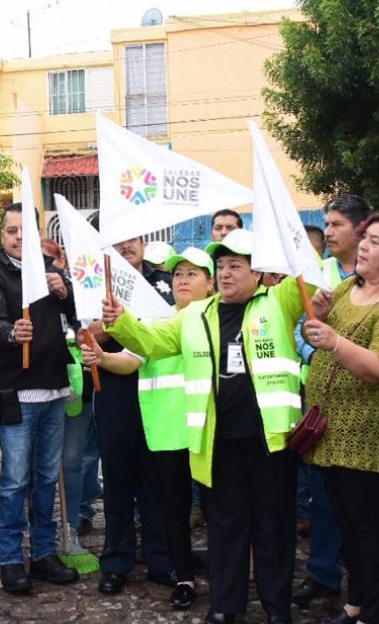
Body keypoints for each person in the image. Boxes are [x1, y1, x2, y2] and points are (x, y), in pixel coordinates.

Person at [100, 232, 311, 623]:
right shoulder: (195, 314)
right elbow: (152, 342)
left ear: (257, 272)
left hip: (270, 440)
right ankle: (226, 606)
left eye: (236, 266)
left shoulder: (278, 302)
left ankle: (276, 607)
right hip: (219, 441)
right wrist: (122, 322)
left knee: (273, 526)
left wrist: (283, 236)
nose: (226, 273)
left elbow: (308, 278)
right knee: (225, 528)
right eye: (222, 266)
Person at [302, 212, 379, 624]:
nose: (363, 247)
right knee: (346, 525)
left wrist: (334, 341)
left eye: (375, 241)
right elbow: (312, 334)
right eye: (364, 238)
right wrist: (317, 317)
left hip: (370, 436)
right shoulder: (347, 287)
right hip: (329, 432)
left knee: (370, 530)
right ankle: (356, 601)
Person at [85, 246, 213, 611]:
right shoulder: (161, 318)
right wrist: (102, 356)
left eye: (191, 274)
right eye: (179, 274)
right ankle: (118, 562)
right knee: (125, 485)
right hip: (153, 418)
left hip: (202, 427)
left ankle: (168, 562)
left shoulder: (207, 313)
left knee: (177, 500)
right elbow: (134, 354)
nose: (182, 280)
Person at [0, 203, 80, 594]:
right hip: (16, 395)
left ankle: (44, 554)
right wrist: (10, 332)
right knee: (15, 481)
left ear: (38, 235)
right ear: (2, 235)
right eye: (11, 230)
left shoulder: (52, 272)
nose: (19, 237)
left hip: (54, 391)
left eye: (25, 230)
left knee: (47, 478)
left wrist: (66, 293)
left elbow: (79, 316)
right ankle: (10, 560)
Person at [87, 234, 174, 596]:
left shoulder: (164, 281)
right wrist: (114, 323)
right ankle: (117, 561)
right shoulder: (94, 283)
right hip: (114, 390)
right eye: (117, 240)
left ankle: (161, 559)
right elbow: (85, 333)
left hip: (159, 389)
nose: (126, 246)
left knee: (157, 480)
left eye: (132, 239)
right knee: (118, 479)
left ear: (143, 241)